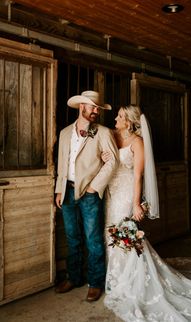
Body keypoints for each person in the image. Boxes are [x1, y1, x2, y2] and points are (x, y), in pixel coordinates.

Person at [103, 105, 191, 321]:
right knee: (110, 233)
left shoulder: (138, 142)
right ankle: (115, 276)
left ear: (129, 121)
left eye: (119, 116)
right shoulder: (111, 135)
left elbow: (138, 177)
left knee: (124, 233)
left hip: (127, 192)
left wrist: (136, 203)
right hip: (112, 190)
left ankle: (131, 280)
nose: (115, 118)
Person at [54, 90, 119, 302]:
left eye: (98, 109)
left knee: (93, 240)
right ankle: (74, 277)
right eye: (93, 107)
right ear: (82, 107)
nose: (96, 112)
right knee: (72, 238)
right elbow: (62, 163)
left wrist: (94, 187)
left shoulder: (103, 132)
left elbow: (113, 162)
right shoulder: (64, 133)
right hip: (67, 191)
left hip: (90, 193)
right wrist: (59, 190)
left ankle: (95, 282)